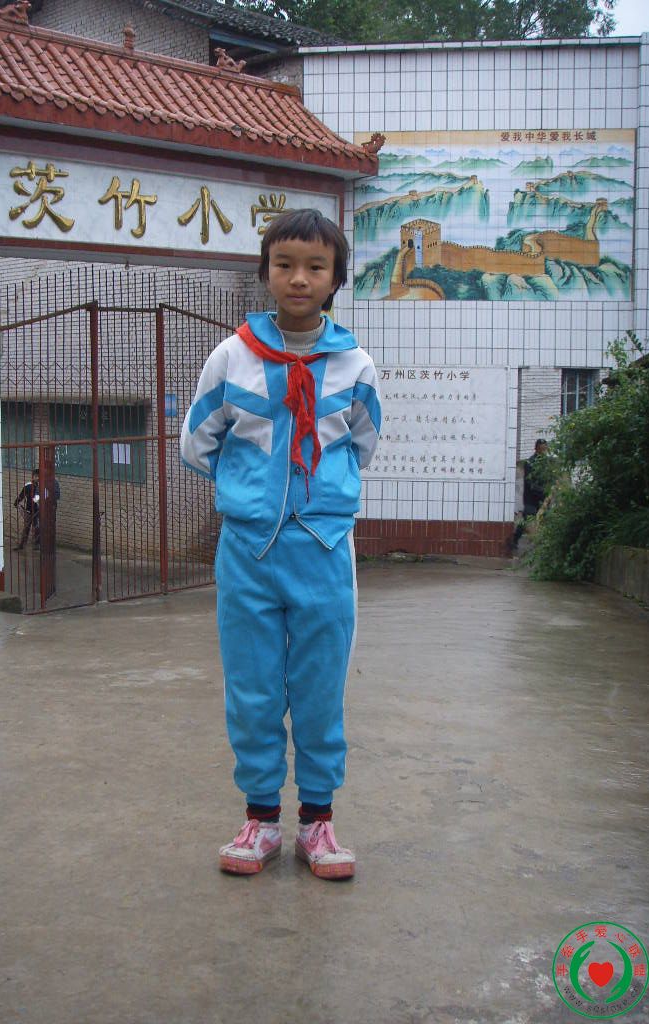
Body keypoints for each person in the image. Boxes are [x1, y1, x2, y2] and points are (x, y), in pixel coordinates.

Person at [180, 209, 382, 879]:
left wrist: (318, 504)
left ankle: (318, 823)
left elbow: (362, 445)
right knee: (254, 687)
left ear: (336, 278)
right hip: (249, 552)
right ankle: (261, 820)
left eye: (315, 266)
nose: (299, 278)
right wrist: (250, 496)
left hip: (323, 550)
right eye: (285, 264)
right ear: (266, 272)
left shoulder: (354, 365)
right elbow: (197, 443)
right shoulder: (231, 356)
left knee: (320, 689)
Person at [14, 468, 40, 550]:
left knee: (37, 528)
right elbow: (21, 495)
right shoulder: (28, 486)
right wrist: (16, 502)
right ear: (33, 477)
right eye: (36, 476)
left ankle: (37, 545)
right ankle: (22, 544)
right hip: (28, 511)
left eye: (39, 476)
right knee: (26, 528)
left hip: (37, 511)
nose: (38, 478)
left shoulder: (41, 486)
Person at [523, 438, 549, 516]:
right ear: (536, 449)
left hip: (543, 499)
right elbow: (529, 482)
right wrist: (542, 491)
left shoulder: (546, 462)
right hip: (531, 500)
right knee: (530, 520)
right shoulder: (530, 462)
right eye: (541, 449)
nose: (544, 451)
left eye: (545, 449)